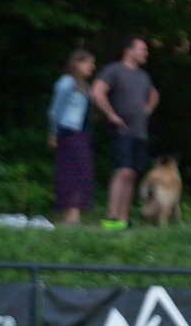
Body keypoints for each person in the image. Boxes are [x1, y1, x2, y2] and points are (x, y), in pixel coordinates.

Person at [91, 36, 159, 230]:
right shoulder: (114, 70)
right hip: (122, 130)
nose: (146, 53)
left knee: (132, 174)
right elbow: (97, 91)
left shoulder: (143, 76)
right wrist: (111, 115)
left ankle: (123, 219)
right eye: (142, 49)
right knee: (123, 171)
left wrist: (147, 109)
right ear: (129, 51)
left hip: (140, 133)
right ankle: (111, 216)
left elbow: (154, 95)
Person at [47, 49, 96, 225]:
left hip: (81, 133)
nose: (92, 66)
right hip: (67, 133)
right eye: (88, 62)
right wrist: (53, 133)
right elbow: (55, 110)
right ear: (77, 63)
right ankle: (71, 215)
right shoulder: (66, 83)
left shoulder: (86, 86)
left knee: (83, 172)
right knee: (72, 172)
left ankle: (73, 214)